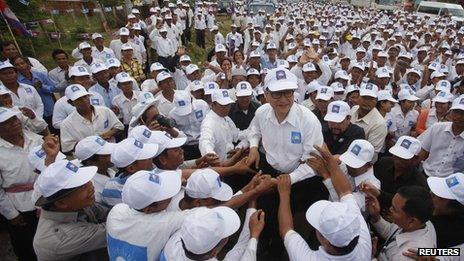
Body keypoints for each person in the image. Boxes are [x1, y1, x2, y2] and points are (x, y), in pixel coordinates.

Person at [246, 68, 327, 257]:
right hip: (270, 171)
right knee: (266, 214)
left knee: (290, 221)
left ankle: (279, 250)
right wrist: (253, 147)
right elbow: (254, 131)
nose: (283, 99)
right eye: (276, 93)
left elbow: (314, 162)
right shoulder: (261, 113)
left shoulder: (308, 121)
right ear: (265, 94)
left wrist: (287, 180)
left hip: (299, 177)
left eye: (288, 92)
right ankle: (262, 246)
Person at [278, 144, 372, 261]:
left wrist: (284, 193)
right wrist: (330, 160)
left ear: (326, 242)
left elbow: (286, 230)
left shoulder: (305, 258)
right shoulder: (363, 244)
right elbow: (345, 192)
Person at [0, 107, 52, 261]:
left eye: (14, 119)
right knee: (26, 246)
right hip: (20, 206)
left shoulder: (36, 139)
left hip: (45, 198)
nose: (14, 124)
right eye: (6, 123)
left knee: (50, 241)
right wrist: (11, 213)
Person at [33, 160, 109, 260]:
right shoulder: (61, 237)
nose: (91, 186)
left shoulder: (76, 205)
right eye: (82, 186)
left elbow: (106, 213)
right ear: (61, 203)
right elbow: (115, 231)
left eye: (87, 181)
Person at [106, 169, 187, 261]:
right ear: (148, 209)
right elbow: (197, 215)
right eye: (166, 195)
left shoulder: (116, 211)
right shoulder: (164, 223)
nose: (170, 196)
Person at [161, 206, 263, 260]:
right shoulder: (181, 234)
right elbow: (241, 251)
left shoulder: (172, 243)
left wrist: (249, 192)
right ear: (213, 253)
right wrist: (254, 236)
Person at [365, 185, 436, 260]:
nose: (390, 209)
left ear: (412, 221)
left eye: (394, 209)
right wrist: (376, 217)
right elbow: (390, 232)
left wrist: (371, 256)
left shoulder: (407, 255)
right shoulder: (424, 222)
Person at [60, 84, 124, 153]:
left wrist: (109, 133)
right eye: (78, 99)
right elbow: (67, 147)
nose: (84, 100)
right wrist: (89, 144)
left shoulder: (105, 111)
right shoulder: (66, 124)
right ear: (71, 103)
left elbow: (119, 126)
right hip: (89, 159)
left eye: (85, 97)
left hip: (110, 151)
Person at [101, 137, 160, 207]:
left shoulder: (109, 186)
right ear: (131, 168)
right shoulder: (150, 187)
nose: (151, 158)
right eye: (145, 157)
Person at [418, 95, 464, 177]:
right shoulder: (436, 128)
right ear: (450, 112)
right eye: (456, 112)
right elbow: (422, 152)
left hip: (449, 184)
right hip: (426, 176)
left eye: (463, 113)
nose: (459, 117)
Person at [199, 89, 247, 161]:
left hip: (231, 162)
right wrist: (211, 156)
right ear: (212, 104)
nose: (226, 108)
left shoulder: (226, 118)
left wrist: (239, 147)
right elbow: (205, 141)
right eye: (222, 105)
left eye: (228, 105)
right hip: (218, 165)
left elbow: (237, 134)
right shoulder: (209, 122)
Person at [13, 56, 57, 130]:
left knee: (55, 131)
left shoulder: (40, 74)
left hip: (49, 109)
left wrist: (42, 87)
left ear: (27, 64)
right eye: (17, 65)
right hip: (33, 113)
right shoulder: (16, 81)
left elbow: (53, 88)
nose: (20, 66)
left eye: (22, 63)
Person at [426, 173, 464, 255]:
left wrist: (424, 253)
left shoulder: (452, 233)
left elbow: (456, 252)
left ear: (452, 208)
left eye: (439, 196)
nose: (431, 193)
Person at [168, 90, 210, 160]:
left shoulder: (202, 105)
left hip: (204, 143)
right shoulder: (172, 115)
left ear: (191, 100)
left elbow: (209, 123)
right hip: (186, 147)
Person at [350, 83, 387, 161]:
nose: (367, 101)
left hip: (360, 162)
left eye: (371, 98)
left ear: (376, 100)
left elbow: (371, 154)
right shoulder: (353, 109)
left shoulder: (379, 124)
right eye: (364, 97)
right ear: (358, 97)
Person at [74, 136, 116, 204]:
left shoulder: (108, 170)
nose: (112, 155)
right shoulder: (92, 187)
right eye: (106, 154)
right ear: (90, 161)